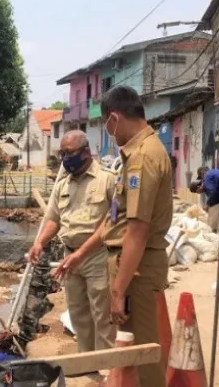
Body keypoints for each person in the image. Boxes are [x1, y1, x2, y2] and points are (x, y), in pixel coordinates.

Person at [71, 86, 172, 387]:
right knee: (131, 351)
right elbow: (116, 218)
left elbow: (137, 230)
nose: (110, 135)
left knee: (143, 354)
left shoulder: (142, 158)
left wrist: (117, 291)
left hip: (137, 271)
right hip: (133, 268)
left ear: (114, 119)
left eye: (107, 127)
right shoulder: (139, 154)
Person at [27, 130, 115, 363]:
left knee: (103, 316)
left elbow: (111, 223)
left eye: (70, 153)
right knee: (79, 316)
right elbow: (54, 219)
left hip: (98, 255)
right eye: (62, 153)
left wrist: (81, 254)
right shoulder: (63, 184)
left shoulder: (107, 180)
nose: (65, 158)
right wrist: (39, 243)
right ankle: (86, 364)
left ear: (86, 151)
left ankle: (107, 368)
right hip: (70, 257)